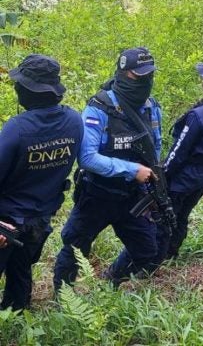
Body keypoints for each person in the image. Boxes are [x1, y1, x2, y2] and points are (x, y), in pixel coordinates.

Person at [110, 56, 203, 275]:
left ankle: (150, 265)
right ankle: (172, 251)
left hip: (180, 180)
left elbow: (177, 153)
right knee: (182, 215)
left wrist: (161, 175)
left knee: (163, 221)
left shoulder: (199, 116)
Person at [53, 47, 163, 290]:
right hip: (97, 194)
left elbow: (155, 143)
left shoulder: (151, 106)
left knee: (146, 249)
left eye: (149, 76)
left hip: (133, 196)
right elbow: (88, 158)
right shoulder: (99, 108)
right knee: (74, 248)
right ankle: (63, 298)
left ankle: (112, 278)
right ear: (123, 73)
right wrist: (132, 169)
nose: (145, 81)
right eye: (138, 76)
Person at [0, 54, 83, 310]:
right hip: (41, 219)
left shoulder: (17, 128)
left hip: (6, 223)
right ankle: (16, 315)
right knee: (21, 270)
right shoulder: (74, 121)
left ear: (26, 90)